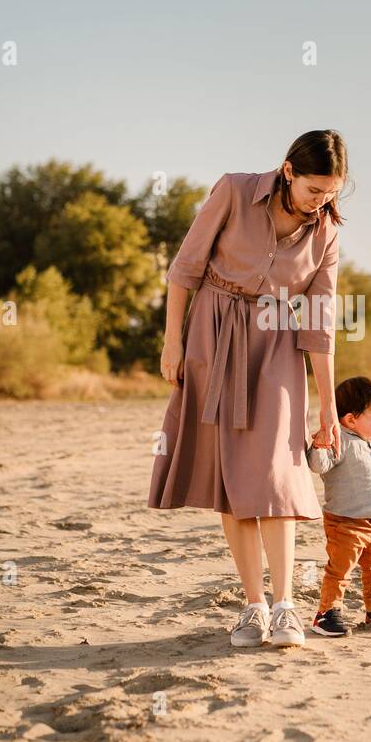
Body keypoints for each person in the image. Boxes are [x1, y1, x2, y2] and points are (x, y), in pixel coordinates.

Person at [148, 131, 348, 649]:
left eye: (331, 193)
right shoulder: (234, 192)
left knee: (279, 473)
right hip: (213, 335)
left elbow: (320, 323)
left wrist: (328, 406)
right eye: (313, 190)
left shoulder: (325, 234)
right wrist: (173, 343)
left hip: (278, 346)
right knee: (229, 478)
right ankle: (253, 606)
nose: (321, 202)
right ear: (287, 171)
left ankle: (287, 607)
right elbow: (184, 270)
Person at [306, 377, 371, 638]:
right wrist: (319, 445)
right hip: (344, 523)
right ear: (351, 419)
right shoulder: (339, 441)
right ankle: (326, 614)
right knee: (339, 570)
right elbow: (319, 466)